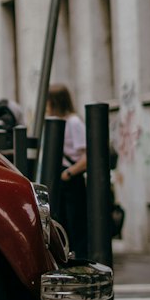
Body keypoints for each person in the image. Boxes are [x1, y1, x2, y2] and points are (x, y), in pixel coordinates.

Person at [47, 83, 88, 249]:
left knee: (75, 224)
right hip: (61, 178)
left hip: (71, 179)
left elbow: (87, 156)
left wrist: (69, 174)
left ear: (55, 102)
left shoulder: (74, 122)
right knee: (61, 223)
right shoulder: (56, 122)